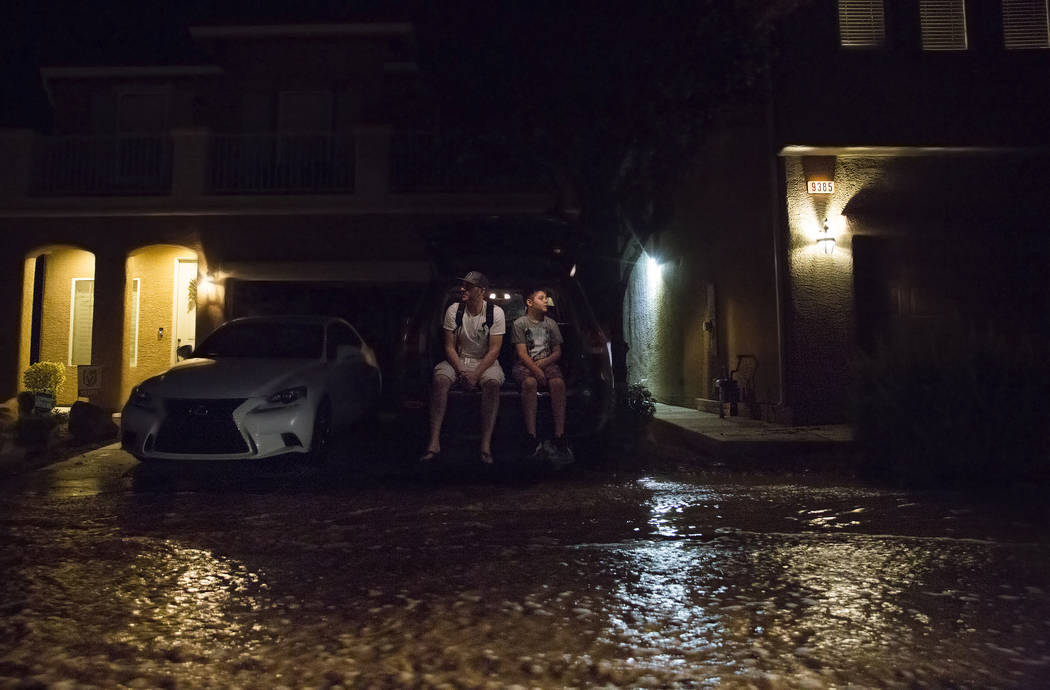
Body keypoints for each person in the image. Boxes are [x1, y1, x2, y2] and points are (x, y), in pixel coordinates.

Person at [420, 271, 506, 465]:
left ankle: (485, 446)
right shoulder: (454, 310)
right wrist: (461, 371)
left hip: (485, 361)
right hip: (458, 359)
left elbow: (494, 351)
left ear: (481, 291)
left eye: (468, 286)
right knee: (440, 379)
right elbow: (449, 347)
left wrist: (475, 375)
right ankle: (433, 442)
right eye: (463, 285)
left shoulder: (495, 313)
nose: (463, 289)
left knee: (492, 383)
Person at [511, 287, 572, 463]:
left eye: (546, 298)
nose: (546, 301)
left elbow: (557, 351)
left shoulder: (551, 324)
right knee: (529, 383)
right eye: (541, 298)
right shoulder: (520, 324)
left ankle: (559, 435)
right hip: (525, 364)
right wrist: (536, 369)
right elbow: (522, 353)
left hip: (547, 362)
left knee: (558, 383)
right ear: (529, 303)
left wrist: (543, 364)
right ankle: (531, 436)